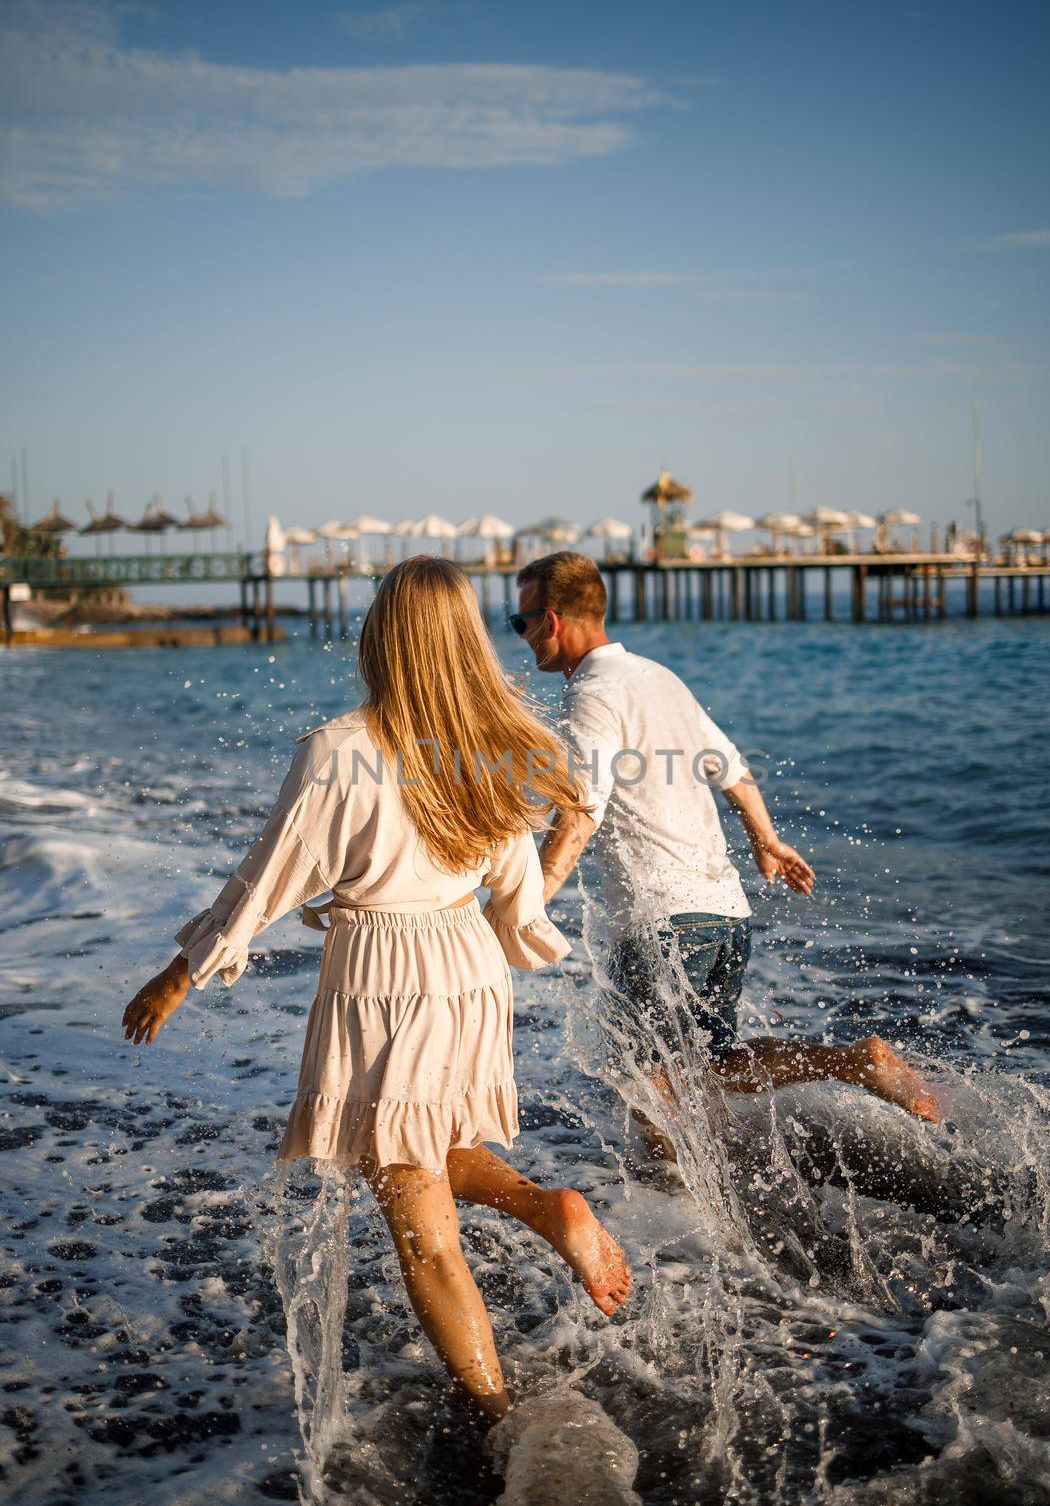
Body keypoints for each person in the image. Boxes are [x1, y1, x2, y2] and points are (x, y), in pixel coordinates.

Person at [121, 556, 631, 1424]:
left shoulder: (340, 748)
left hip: (385, 976)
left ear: (381, 636)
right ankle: (544, 1206)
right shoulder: (502, 741)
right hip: (467, 966)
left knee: (421, 1232)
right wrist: (510, 943)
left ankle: (495, 1420)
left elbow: (268, 879)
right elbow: (518, 889)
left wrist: (184, 972)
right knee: (410, 1147)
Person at [509, 551, 940, 1144]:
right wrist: (768, 841)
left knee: (650, 1083)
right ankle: (852, 1064)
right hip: (722, 909)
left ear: (552, 620)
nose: (524, 637)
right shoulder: (659, 678)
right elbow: (731, 768)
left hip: (661, 920)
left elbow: (582, 807)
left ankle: (673, 1218)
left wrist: (525, 905)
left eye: (522, 622)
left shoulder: (590, 695)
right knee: (710, 1068)